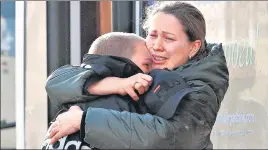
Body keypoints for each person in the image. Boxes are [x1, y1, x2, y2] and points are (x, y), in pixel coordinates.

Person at [47, 1, 229, 149]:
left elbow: (172, 138)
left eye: (169, 38)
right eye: (153, 35)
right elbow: (56, 83)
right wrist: (116, 84)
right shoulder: (140, 69)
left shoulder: (201, 87)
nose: (157, 45)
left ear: (193, 47)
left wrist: (83, 120)